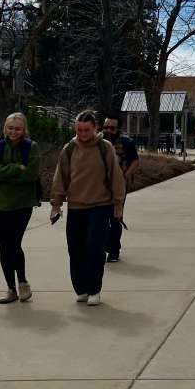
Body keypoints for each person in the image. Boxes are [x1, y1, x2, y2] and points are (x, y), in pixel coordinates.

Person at [49, 110, 126, 306]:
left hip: (100, 205)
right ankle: (81, 288)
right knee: (76, 250)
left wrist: (118, 204)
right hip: (76, 206)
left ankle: (94, 289)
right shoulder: (69, 149)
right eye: (79, 130)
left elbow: (116, 175)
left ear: (95, 128)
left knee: (94, 248)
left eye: (86, 130)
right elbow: (60, 177)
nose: (83, 134)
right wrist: (56, 204)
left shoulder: (104, 147)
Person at [0, 112, 41, 305]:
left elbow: (32, 174)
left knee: (15, 244)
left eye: (17, 128)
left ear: (24, 130)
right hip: (0, 203)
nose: (13, 131)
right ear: (4, 129)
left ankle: (22, 282)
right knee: (4, 245)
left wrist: (7, 172)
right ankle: (11, 288)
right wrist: (17, 168)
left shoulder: (31, 147)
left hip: (23, 203)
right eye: (10, 128)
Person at [101, 116, 139, 263]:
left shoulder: (126, 142)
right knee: (100, 218)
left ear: (118, 129)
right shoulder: (97, 142)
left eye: (112, 128)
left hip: (119, 187)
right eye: (106, 127)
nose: (108, 130)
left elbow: (135, 161)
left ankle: (114, 250)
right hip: (99, 187)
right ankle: (105, 245)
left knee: (116, 218)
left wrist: (124, 176)